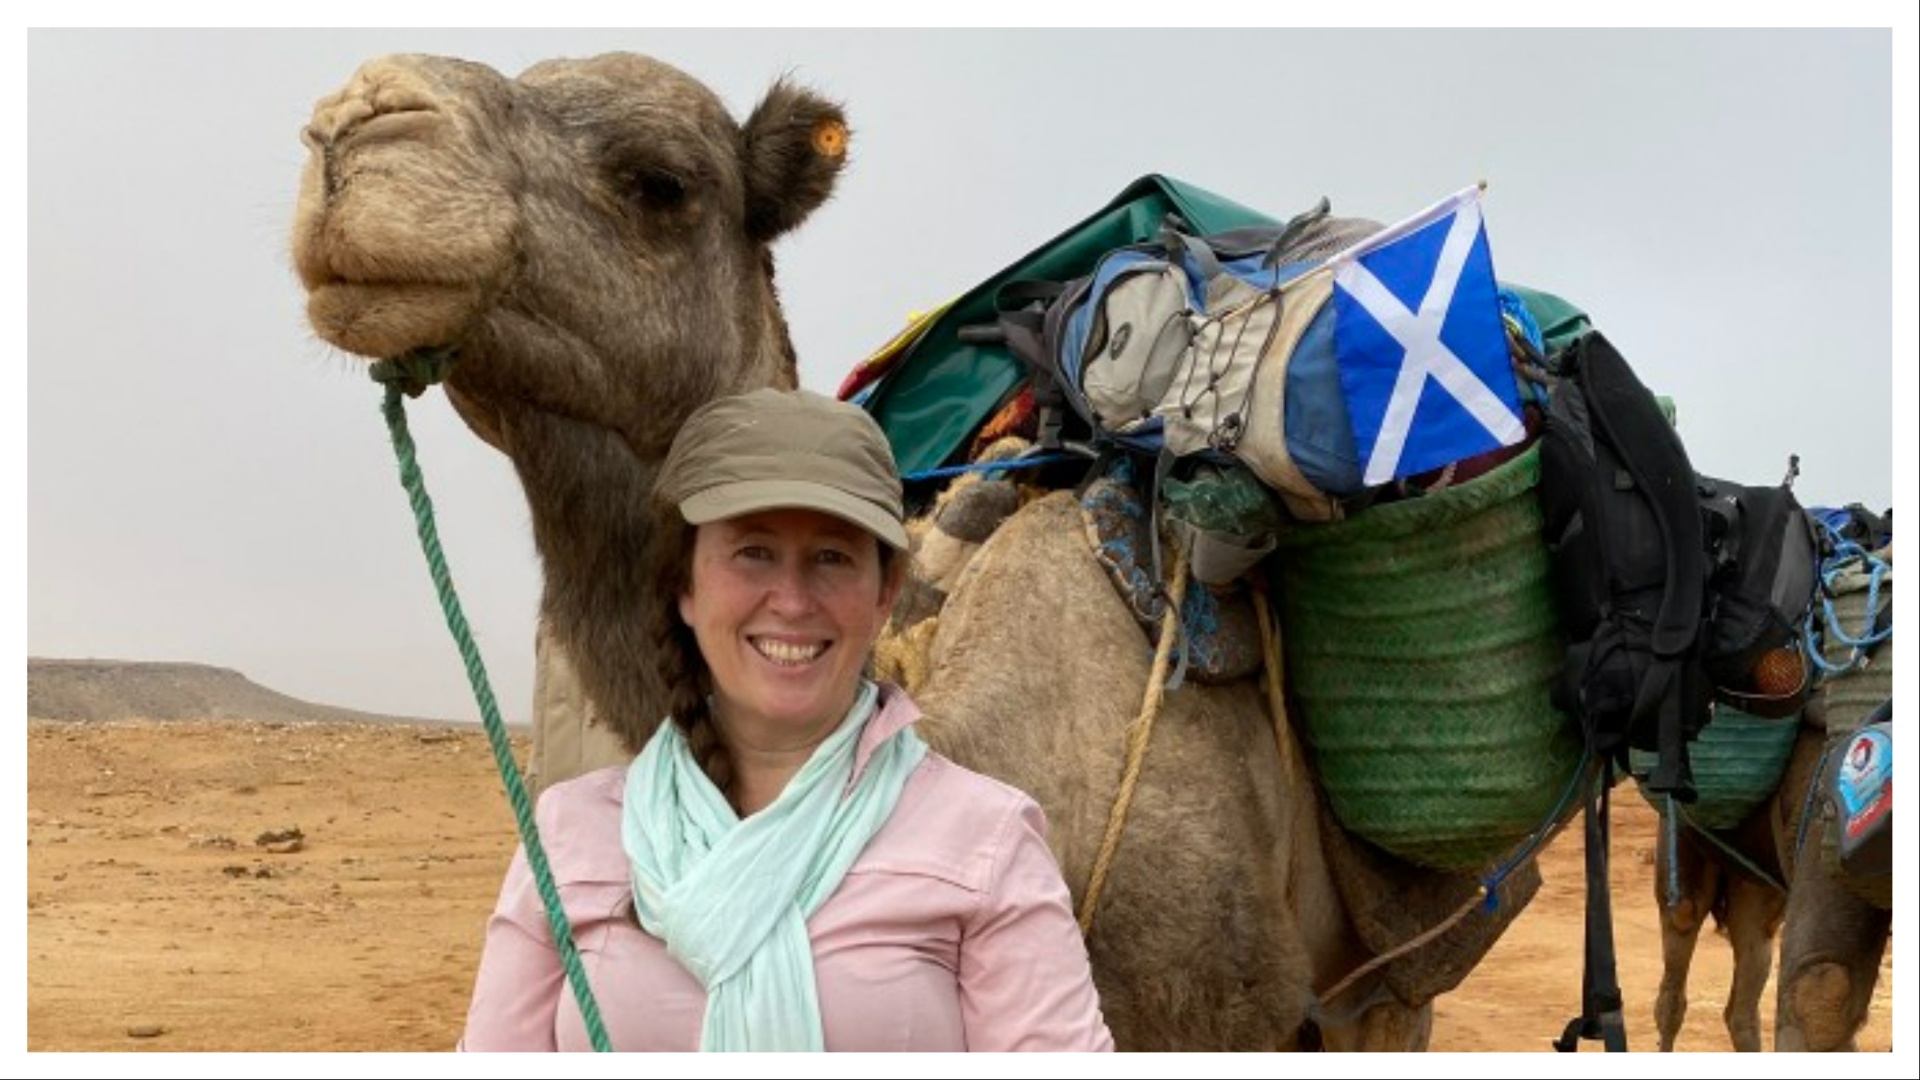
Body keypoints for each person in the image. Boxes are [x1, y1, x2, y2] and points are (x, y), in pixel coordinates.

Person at [459, 387, 1113, 1052]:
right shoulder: (572, 832)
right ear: (684, 584)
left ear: (886, 592)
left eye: (832, 557)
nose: (793, 602)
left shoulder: (987, 840)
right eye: (754, 552)